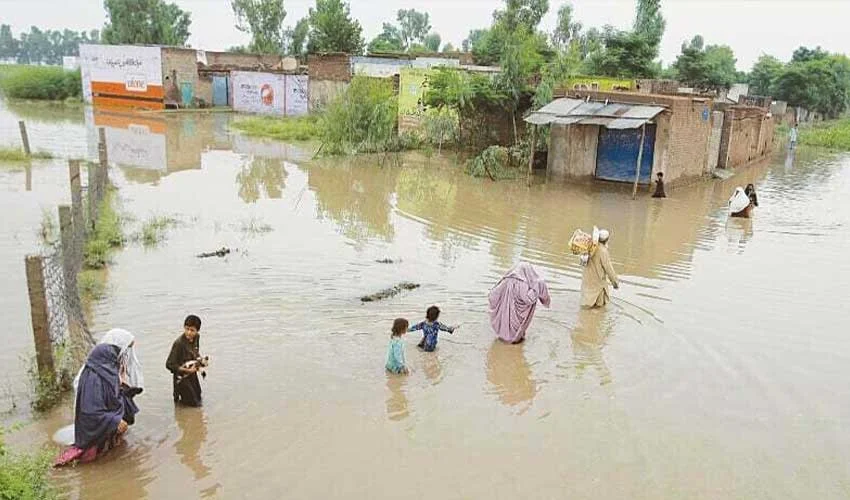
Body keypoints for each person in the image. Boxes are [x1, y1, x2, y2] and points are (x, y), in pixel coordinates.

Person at [55, 329, 144, 466]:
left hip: (106, 419)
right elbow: (91, 412)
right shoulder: (94, 379)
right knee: (93, 460)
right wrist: (115, 421)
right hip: (94, 425)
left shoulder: (108, 371)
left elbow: (113, 395)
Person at [488, 262, 551, 344]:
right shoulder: (522, 283)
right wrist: (537, 287)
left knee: (506, 322)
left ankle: (504, 338)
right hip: (516, 315)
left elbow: (493, 294)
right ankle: (513, 341)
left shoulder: (506, 279)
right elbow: (528, 299)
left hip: (506, 312)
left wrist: (504, 301)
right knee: (515, 334)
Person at [167, 315, 204, 407]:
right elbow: (169, 364)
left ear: (197, 331)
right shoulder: (179, 343)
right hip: (181, 377)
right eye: (187, 329)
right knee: (193, 404)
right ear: (184, 327)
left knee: (198, 396)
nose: (189, 332)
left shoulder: (197, 337)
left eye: (192, 330)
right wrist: (188, 370)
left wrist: (200, 360)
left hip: (192, 372)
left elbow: (195, 352)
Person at [580, 229, 619, 308]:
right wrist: (615, 283)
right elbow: (609, 269)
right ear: (606, 240)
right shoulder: (603, 251)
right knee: (599, 308)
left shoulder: (589, 247)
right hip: (598, 283)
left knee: (587, 305)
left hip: (587, 281)